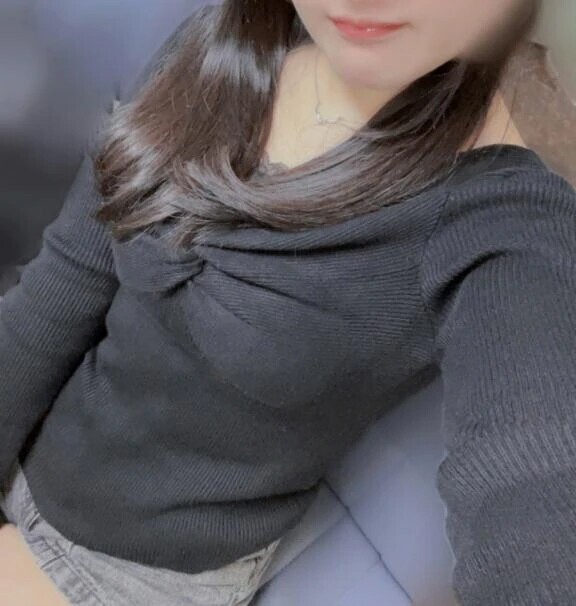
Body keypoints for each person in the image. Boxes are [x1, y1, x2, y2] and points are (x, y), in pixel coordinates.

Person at [0, 1, 574, 604]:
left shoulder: (505, 227)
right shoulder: (224, 36)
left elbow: (536, 500)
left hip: (123, 575)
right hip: (31, 455)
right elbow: (60, 288)